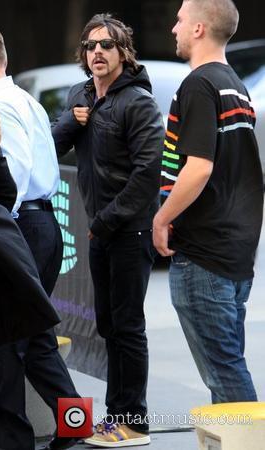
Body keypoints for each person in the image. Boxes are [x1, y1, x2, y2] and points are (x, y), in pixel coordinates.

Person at [52, 13, 164, 448]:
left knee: (128, 328)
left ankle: (133, 422)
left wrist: (105, 222)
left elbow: (146, 175)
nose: (97, 52)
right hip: (99, 231)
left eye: (106, 45)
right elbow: (52, 145)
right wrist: (71, 121)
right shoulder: (79, 96)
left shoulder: (137, 102)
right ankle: (117, 417)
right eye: (90, 46)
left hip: (128, 231)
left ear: (122, 53)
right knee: (109, 327)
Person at [0, 27, 80, 450]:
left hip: (19, 227)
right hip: (42, 225)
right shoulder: (24, 99)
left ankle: (9, 439)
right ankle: (76, 422)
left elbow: (9, 181)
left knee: (3, 343)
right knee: (35, 337)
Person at [153, 0, 263, 404]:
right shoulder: (235, 82)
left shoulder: (199, 85)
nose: (173, 28)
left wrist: (161, 218)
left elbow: (198, 168)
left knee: (225, 375)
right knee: (228, 367)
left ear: (199, 29)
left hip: (205, 255)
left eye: (180, 19)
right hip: (233, 251)